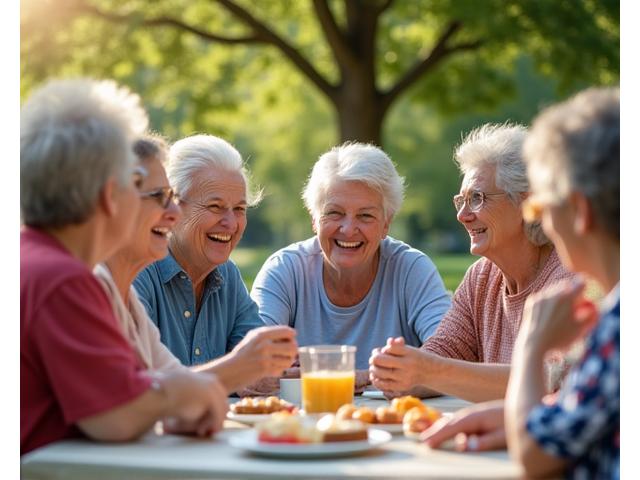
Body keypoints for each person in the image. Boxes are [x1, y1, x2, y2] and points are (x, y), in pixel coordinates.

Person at [21, 79, 228, 455]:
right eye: (137, 185)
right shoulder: (62, 279)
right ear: (107, 195)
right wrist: (179, 392)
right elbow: (115, 415)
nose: (173, 211)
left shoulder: (36, 261)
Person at [422, 87, 619, 479]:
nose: (543, 221)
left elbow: (535, 455)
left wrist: (531, 345)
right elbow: (581, 413)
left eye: (541, 207)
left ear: (578, 210)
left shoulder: (613, 320)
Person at [369, 123, 573, 402]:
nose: (462, 215)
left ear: (528, 204)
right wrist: (391, 370)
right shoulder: (481, 277)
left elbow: (554, 379)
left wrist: (427, 370)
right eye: (461, 201)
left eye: (477, 198)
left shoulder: (569, 278)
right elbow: (442, 354)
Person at [96, 135, 297, 394]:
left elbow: (259, 365)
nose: (232, 223)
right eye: (215, 207)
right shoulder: (132, 273)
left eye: (239, 209)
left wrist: (266, 368)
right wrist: (238, 372)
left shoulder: (227, 275)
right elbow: (137, 391)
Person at [250, 142, 452, 386]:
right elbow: (253, 364)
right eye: (334, 213)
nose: (348, 229)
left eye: (365, 215)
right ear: (314, 218)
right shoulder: (284, 269)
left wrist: (355, 377)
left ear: (386, 223)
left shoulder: (411, 269)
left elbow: (446, 360)